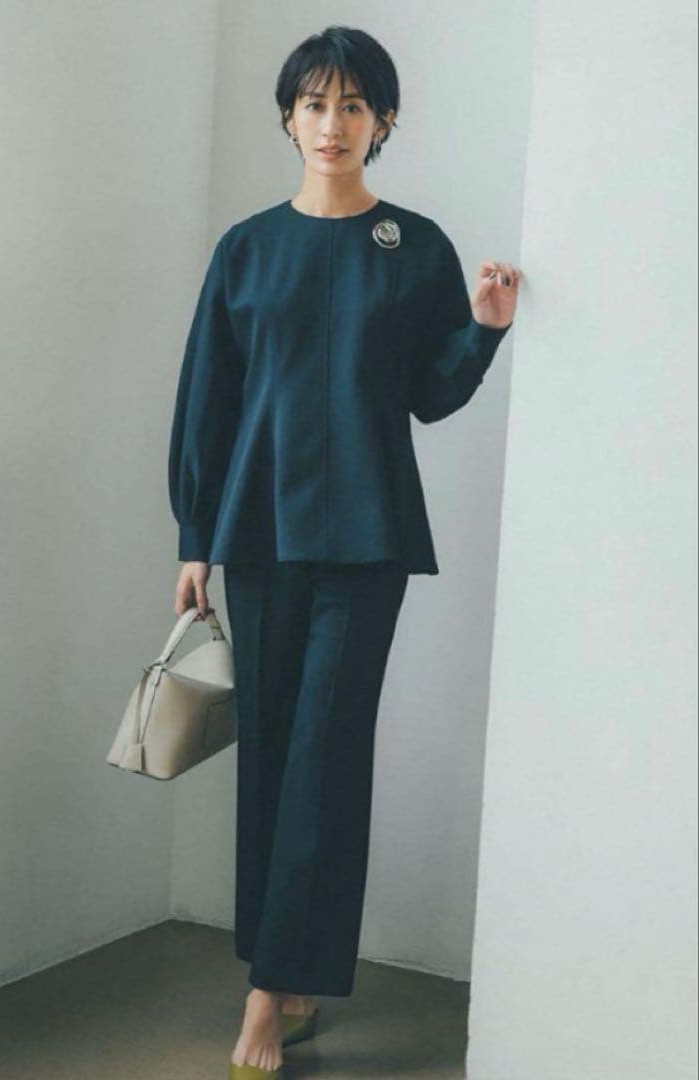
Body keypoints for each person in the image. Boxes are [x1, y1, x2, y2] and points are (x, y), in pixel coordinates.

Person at [167, 25, 520, 1079]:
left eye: (354, 105)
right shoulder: (246, 250)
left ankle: (267, 994)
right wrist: (194, 537)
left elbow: (430, 394)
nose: (334, 123)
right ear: (289, 118)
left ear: (384, 121)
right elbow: (208, 401)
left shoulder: (416, 248)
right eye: (316, 103)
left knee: (325, 756)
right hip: (260, 537)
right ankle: (294, 975)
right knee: (273, 755)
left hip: (367, 543)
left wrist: (484, 329)